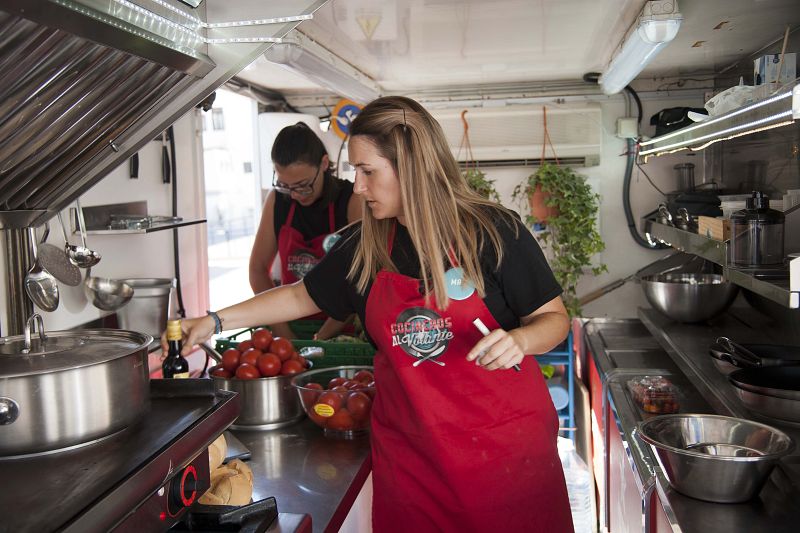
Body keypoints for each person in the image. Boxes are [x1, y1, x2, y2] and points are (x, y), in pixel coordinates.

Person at [169, 96, 573, 532]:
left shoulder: (494, 231)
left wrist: (521, 340)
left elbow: (554, 319)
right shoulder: (367, 246)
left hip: (504, 458)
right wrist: (212, 321)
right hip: (414, 461)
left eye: (368, 171)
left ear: (412, 167)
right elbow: (299, 296)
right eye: (354, 172)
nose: (357, 187)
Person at [248, 121, 361, 339]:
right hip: (290, 321)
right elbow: (257, 269)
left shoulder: (350, 201)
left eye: (303, 185)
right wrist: (285, 334)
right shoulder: (277, 200)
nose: (295, 195)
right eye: (285, 185)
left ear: (324, 164)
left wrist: (322, 338)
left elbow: (358, 278)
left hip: (340, 328)